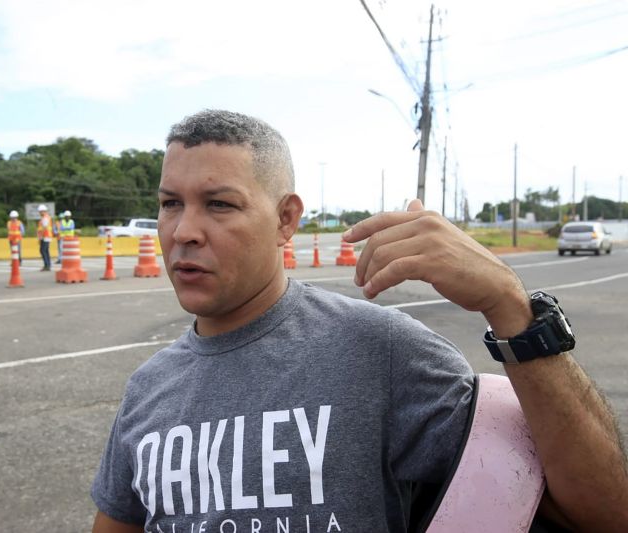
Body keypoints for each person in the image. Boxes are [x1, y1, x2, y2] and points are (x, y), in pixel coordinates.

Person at [90, 110, 628, 532]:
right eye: (169, 203)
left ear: (286, 220)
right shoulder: (147, 391)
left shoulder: (381, 350)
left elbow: (606, 513)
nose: (184, 230)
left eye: (219, 204)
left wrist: (511, 307)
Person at [36, 204, 53, 271]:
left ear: (43, 211)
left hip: (45, 237)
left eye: (40, 211)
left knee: (43, 251)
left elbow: (44, 228)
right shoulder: (45, 217)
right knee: (45, 251)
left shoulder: (45, 218)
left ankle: (47, 265)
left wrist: (40, 237)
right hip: (46, 236)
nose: (39, 213)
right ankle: (48, 265)